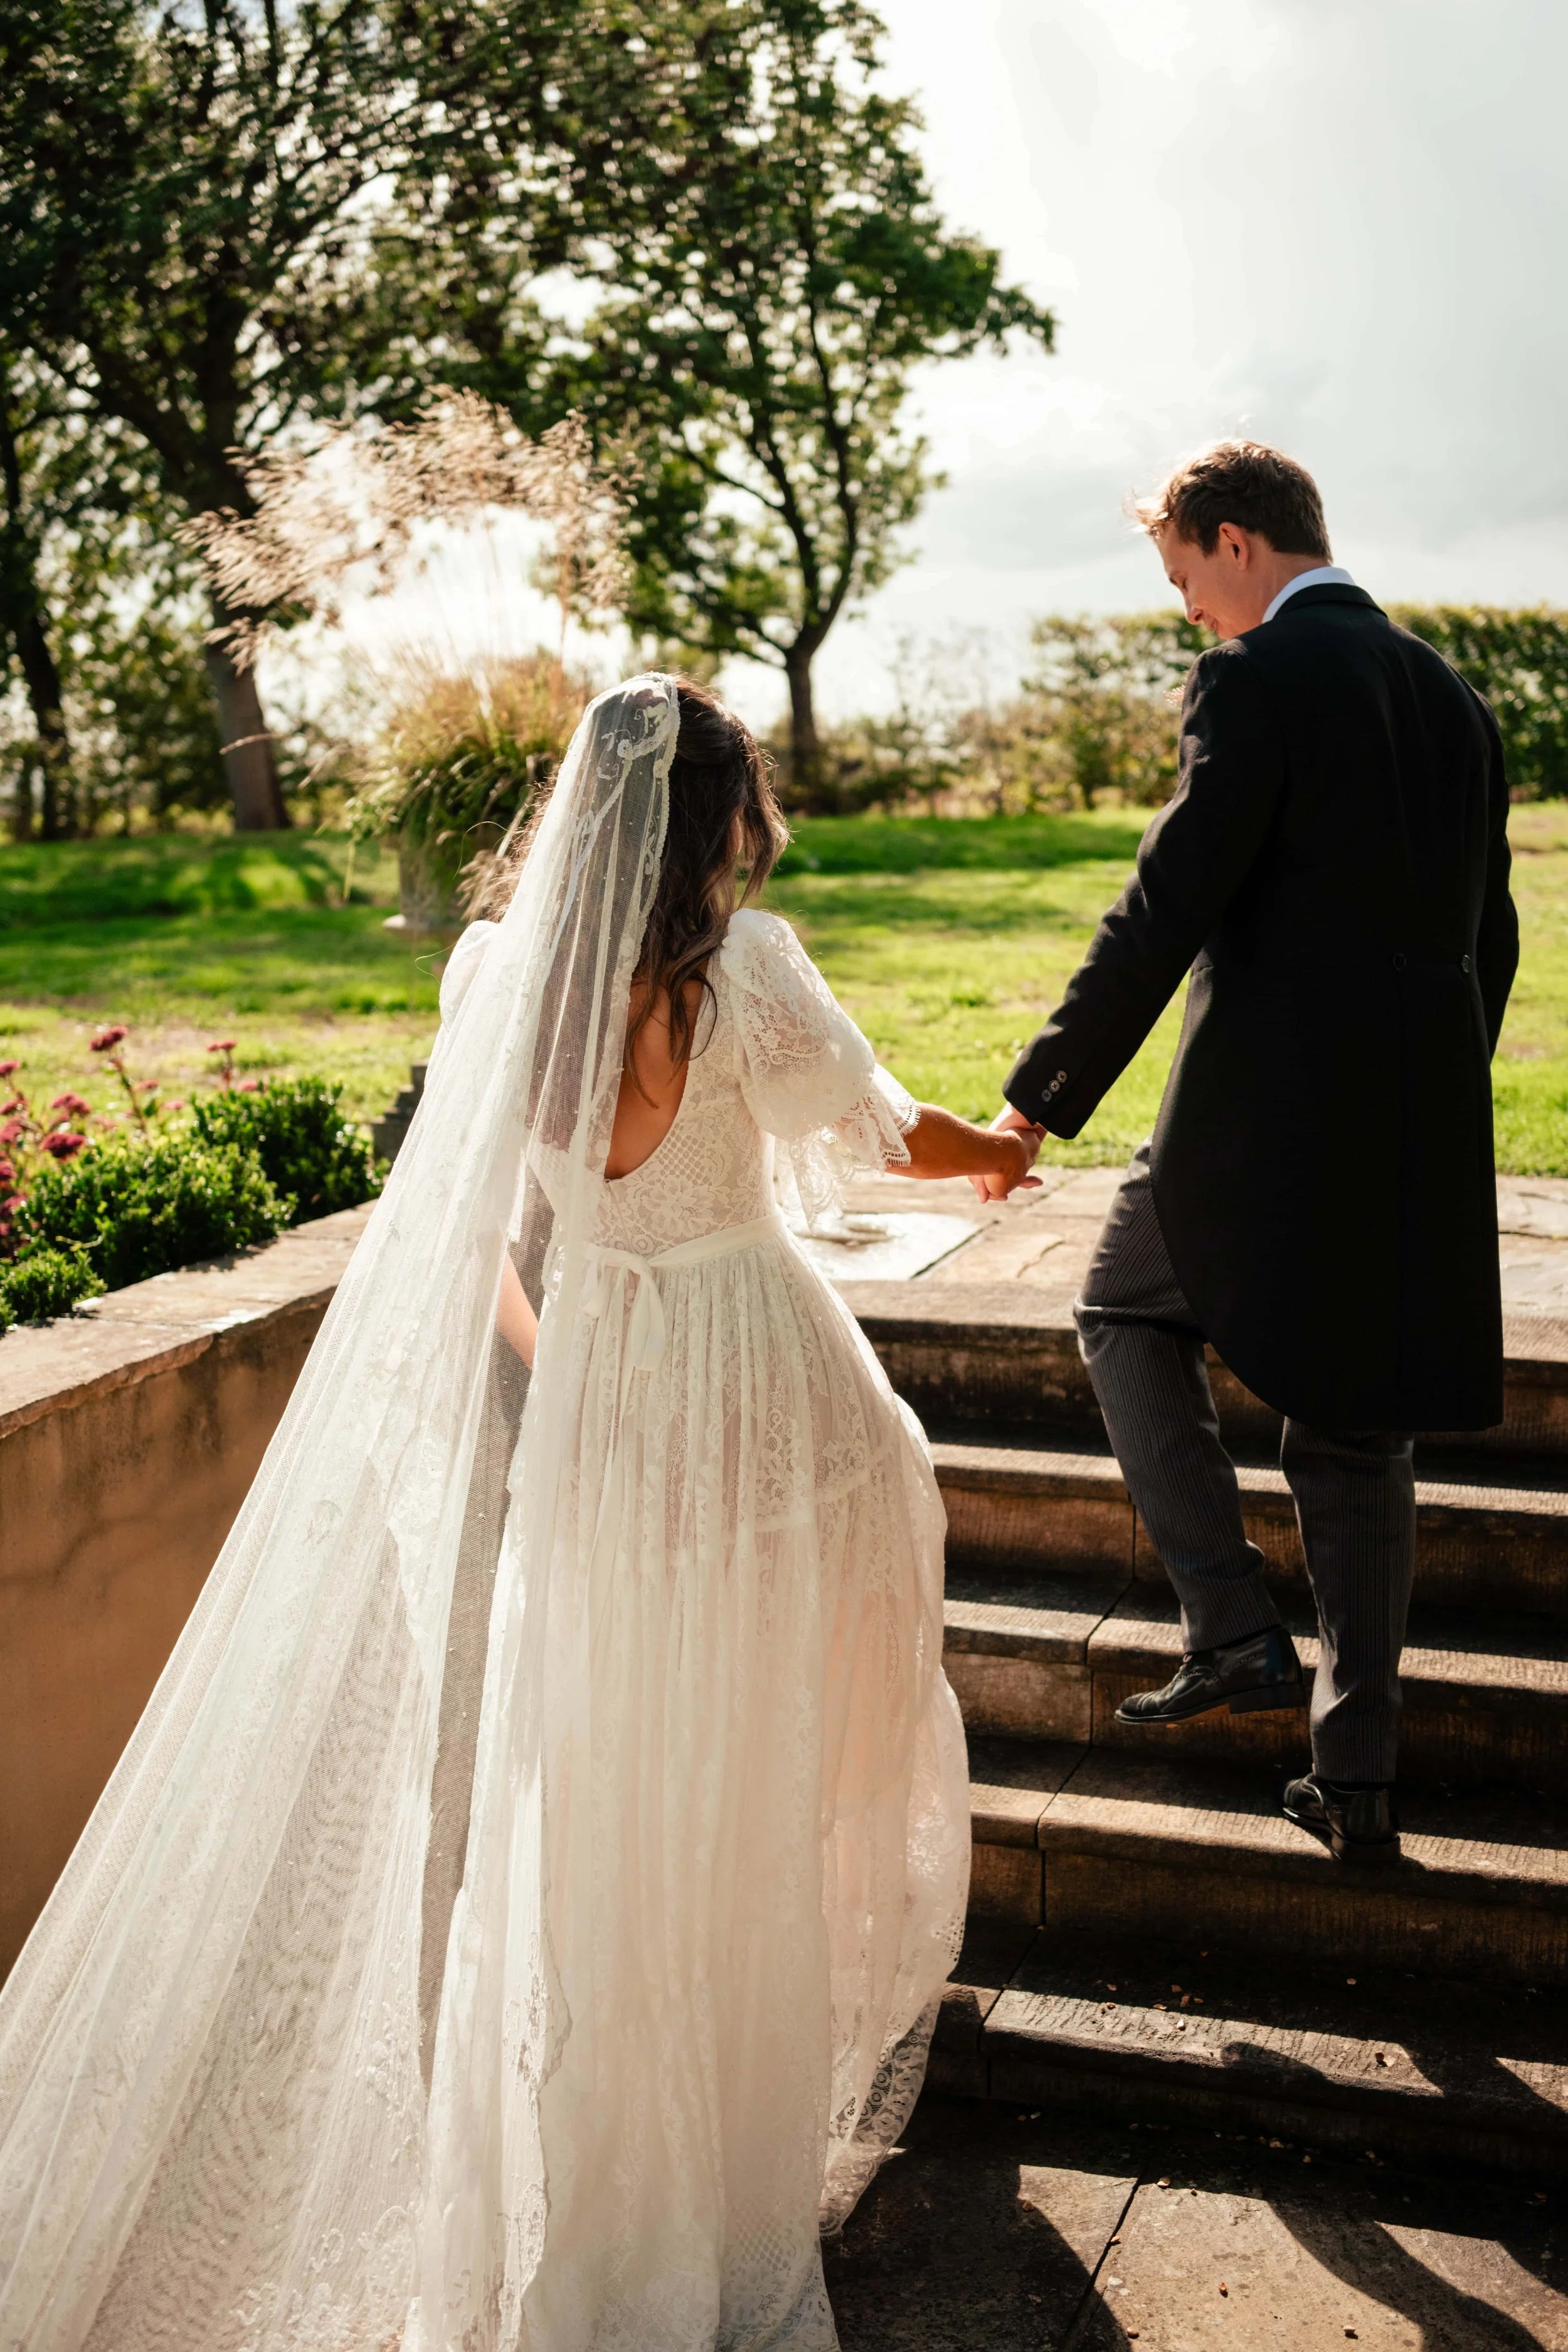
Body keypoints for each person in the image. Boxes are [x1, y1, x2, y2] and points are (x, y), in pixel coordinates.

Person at [0, 674, 1039, 2352]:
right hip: (764, 1381)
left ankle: (613, 2161)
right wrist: (992, 1152)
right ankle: (747, 2112)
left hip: (607, 1396)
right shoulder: (743, 967)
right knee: (785, 1704)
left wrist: (573, 1365)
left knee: (609, 1772)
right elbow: (880, 1133)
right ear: (717, 814)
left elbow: (474, 1236)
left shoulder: (494, 975)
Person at [990, 440, 1517, 1866]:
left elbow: (1163, 906)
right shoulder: (1451, 700)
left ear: (1232, 541)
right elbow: (1493, 941)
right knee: (1356, 1435)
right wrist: (1414, 1101)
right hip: (1410, 1134)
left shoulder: (1253, 679)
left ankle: (1228, 1624)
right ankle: (1354, 1784)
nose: (1184, 613)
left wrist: (1036, 1099)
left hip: (1254, 1124)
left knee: (1113, 1302)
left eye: (1179, 579)